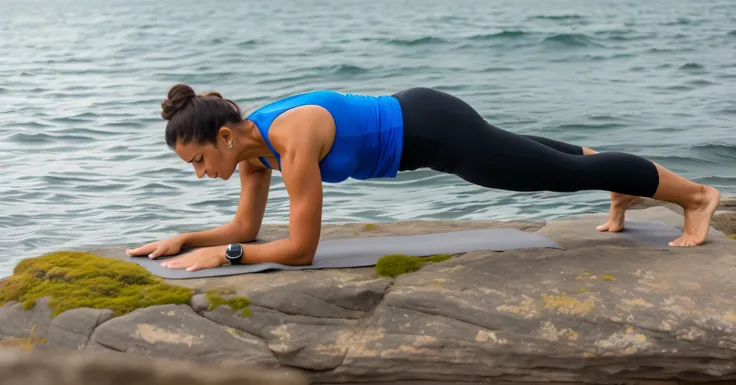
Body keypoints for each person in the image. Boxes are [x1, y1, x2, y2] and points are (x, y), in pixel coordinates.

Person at [125, 84, 721, 272]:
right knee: (553, 158)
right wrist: (187, 240)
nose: (203, 174)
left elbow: (301, 250)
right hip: (425, 127)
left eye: (200, 160)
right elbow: (247, 227)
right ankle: (621, 188)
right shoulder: (254, 154)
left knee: (560, 175)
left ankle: (696, 197)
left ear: (224, 137)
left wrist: (227, 258)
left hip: (437, 132)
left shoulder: (291, 140)